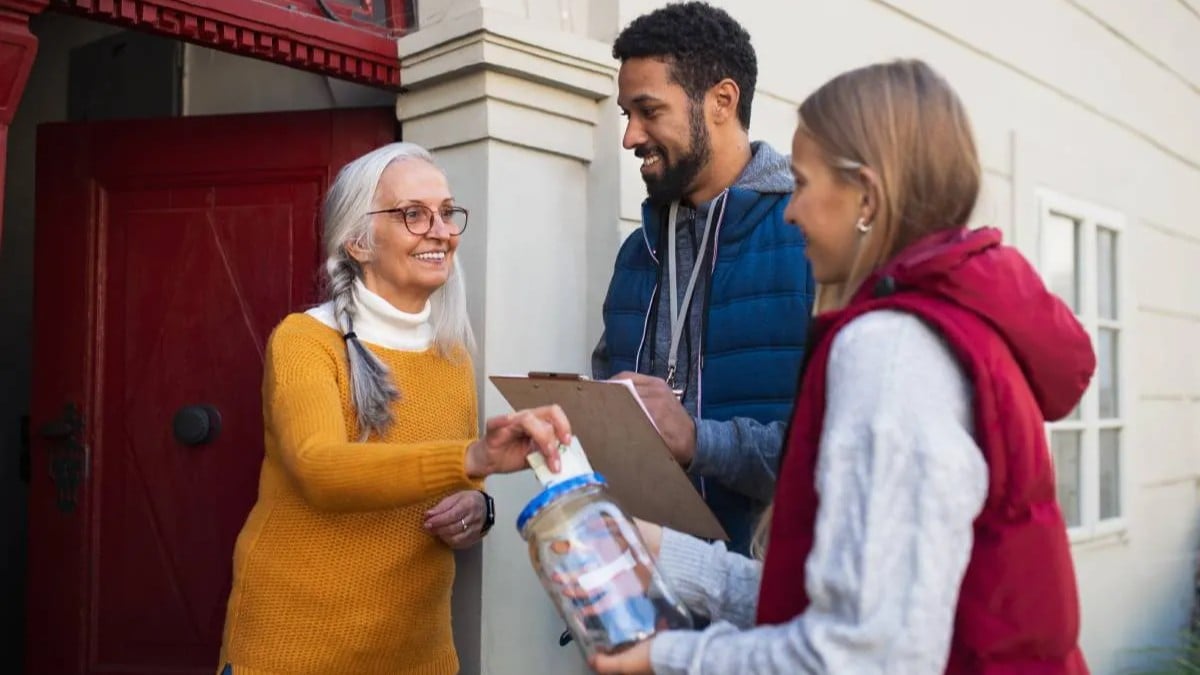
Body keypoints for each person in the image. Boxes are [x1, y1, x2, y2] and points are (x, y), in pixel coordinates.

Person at [591, 59, 1092, 674]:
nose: (792, 211)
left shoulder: (889, 350)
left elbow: (863, 655)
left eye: (801, 184)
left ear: (867, 196)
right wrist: (661, 550)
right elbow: (825, 604)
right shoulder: (937, 325)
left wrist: (661, 657)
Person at [216, 142, 572, 675]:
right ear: (359, 241)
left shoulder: (451, 354)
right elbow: (321, 470)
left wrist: (479, 511)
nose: (441, 230)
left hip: (417, 653)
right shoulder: (304, 341)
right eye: (413, 214)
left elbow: (458, 487)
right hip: (294, 648)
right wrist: (474, 458)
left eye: (447, 213)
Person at [593, 1, 814, 555]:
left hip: (768, 607)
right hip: (648, 597)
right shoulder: (635, 253)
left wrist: (699, 442)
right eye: (626, 114)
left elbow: (839, 456)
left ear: (722, 101)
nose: (629, 137)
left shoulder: (811, 241)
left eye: (647, 111)